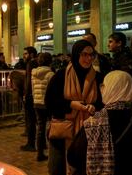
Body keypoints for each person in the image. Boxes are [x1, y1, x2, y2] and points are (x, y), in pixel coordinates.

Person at [67, 70, 132, 175]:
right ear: (129, 89)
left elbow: (73, 156)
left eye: (103, 86)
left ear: (108, 89)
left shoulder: (93, 122)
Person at [44, 40, 104, 175]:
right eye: (84, 54)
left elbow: (103, 102)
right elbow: (49, 101)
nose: (88, 58)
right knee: (57, 168)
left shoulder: (98, 77)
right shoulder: (61, 76)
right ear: (76, 55)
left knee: (83, 168)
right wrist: (71, 104)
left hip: (88, 131)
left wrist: (93, 107)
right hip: (63, 130)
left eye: (91, 55)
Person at [31, 52, 54, 161]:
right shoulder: (50, 74)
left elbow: (33, 89)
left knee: (40, 128)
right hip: (48, 104)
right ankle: (53, 152)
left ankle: (39, 153)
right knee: (52, 127)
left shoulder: (33, 73)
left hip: (37, 103)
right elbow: (52, 91)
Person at [20, 46, 39, 152]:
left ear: (31, 54)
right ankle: (41, 143)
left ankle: (31, 143)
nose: (24, 56)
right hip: (36, 94)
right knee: (38, 121)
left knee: (31, 120)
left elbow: (28, 80)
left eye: (26, 53)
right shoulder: (37, 63)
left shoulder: (30, 64)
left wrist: (26, 94)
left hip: (30, 95)